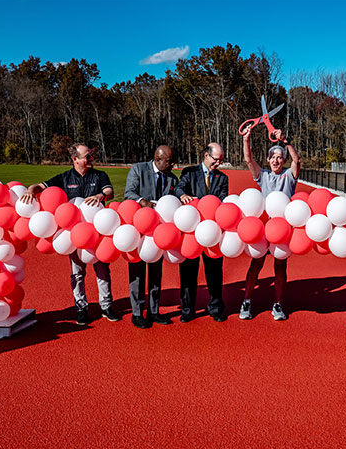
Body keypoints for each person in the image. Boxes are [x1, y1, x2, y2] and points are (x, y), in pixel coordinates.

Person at [20, 143, 121, 326]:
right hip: (74, 235)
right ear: (75, 159)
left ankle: (106, 306)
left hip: (98, 234)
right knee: (77, 273)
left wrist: (100, 196)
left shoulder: (99, 175)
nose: (91, 159)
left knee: (103, 271)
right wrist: (29, 190)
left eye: (91, 156)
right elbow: (40, 186)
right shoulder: (64, 178)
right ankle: (81, 308)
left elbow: (109, 191)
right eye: (87, 156)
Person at [240, 127, 300, 321]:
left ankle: (278, 304)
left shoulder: (289, 177)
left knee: (280, 268)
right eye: (272, 157)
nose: (276, 160)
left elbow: (297, 161)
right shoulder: (263, 175)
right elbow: (248, 160)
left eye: (279, 157)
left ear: (283, 160)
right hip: (263, 229)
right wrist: (246, 139)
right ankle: (247, 301)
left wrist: (286, 141)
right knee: (255, 265)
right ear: (268, 160)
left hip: (282, 230)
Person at [124, 145, 178, 329]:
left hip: (159, 233)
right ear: (158, 160)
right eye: (170, 161)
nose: (173, 164)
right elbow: (129, 193)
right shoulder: (138, 169)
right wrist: (143, 202)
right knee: (137, 273)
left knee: (156, 272)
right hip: (139, 231)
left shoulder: (172, 177)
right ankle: (137, 313)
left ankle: (154, 311)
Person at [174, 143, 229, 322]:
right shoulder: (189, 172)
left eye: (221, 160)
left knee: (214, 272)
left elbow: (222, 200)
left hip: (213, 232)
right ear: (206, 156)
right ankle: (187, 310)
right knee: (188, 272)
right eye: (216, 160)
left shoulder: (223, 178)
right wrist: (182, 195)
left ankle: (216, 308)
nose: (218, 164)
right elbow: (179, 188)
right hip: (191, 233)